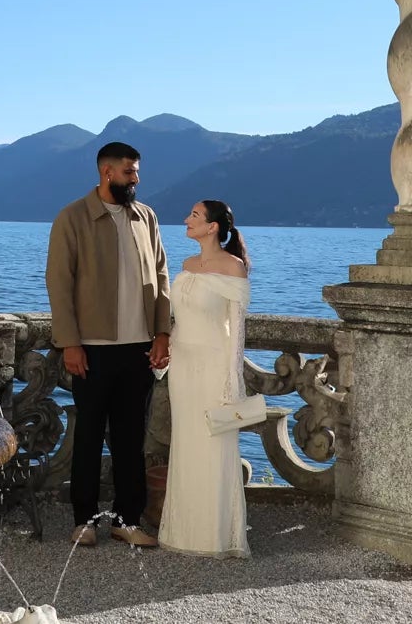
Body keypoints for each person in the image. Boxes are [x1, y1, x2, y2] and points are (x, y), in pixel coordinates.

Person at [46, 142, 171, 547]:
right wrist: (70, 343)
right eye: (131, 172)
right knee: (87, 436)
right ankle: (84, 520)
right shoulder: (72, 218)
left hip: (138, 348)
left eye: (137, 172)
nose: (137, 179)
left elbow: (162, 275)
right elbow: (59, 284)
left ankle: (126, 520)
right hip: (92, 348)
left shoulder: (146, 217)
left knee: (130, 439)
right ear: (107, 173)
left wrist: (162, 333)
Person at [159, 200, 252, 558]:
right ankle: (182, 532)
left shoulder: (234, 267)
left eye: (194, 215)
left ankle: (216, 537)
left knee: (216, 446)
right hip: (182, 364)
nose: (186, 219)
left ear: (212, 226)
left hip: (214, 367)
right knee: (184, 443)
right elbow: (176, 319)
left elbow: (237, 332)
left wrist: (233, 381)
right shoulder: (185, 265)